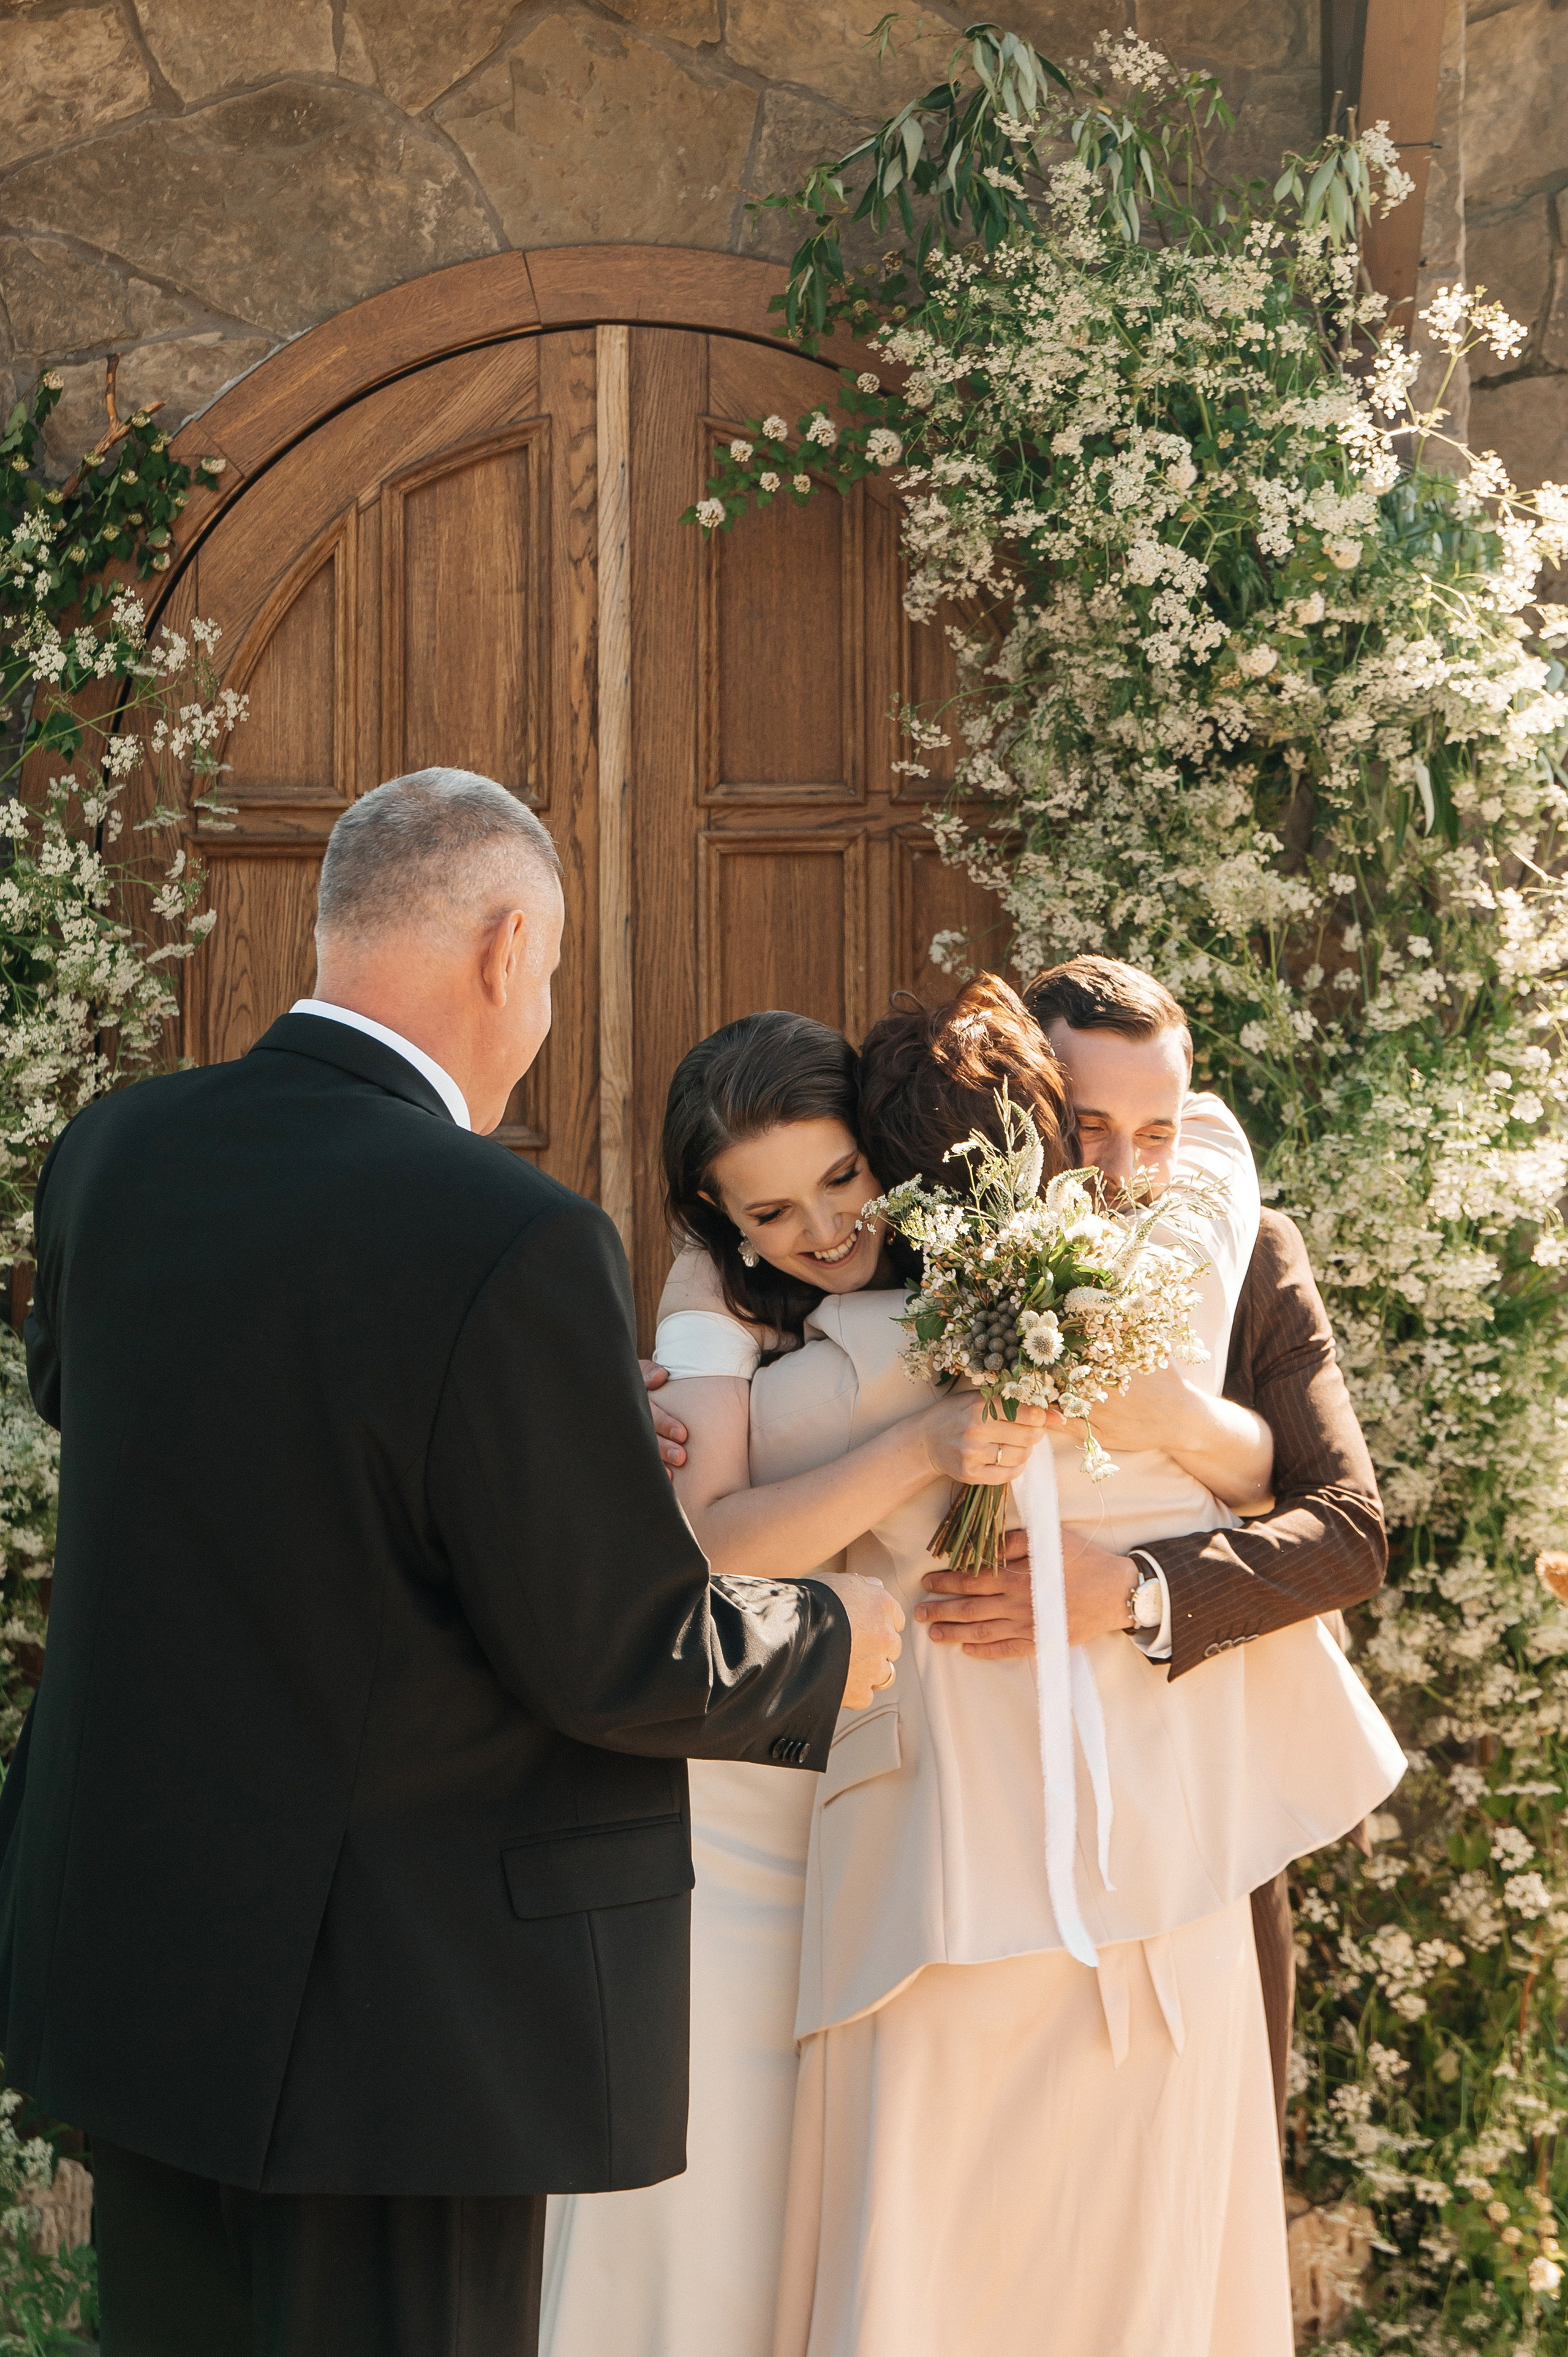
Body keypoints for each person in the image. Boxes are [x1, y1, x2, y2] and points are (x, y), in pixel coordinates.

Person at [0, 768, 903, 2357]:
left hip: (145, 1965)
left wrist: (523, 1422)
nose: (540, 1009)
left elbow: (136, 1418)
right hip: (402, 2025)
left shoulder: (116, 1155)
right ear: (504, 950)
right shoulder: (512, 1234)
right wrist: (837, 1630)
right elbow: (614, 1647)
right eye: (548, 975)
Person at [541, 1008, 1054, 2357]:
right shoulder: (709, 1304)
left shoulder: (986, 1256)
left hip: (911, 1765)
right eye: (768, 1212)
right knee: (724, 2157)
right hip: (746, 1793)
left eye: (840, 1179)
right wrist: (930, 1440)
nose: (822, 1230)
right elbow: (712, 1543)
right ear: (717, 1220)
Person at [924, 953, 1389, 2130]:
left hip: (1209, 1804)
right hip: (979, 1812)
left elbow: (1348, 1534)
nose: (1127, 1172)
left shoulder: (1257, 1253)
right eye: (1090, 1128)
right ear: (1032, 1109)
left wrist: (1131, 1583)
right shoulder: (933, 1252)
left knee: (1211, 2178)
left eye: (1160, 1132)